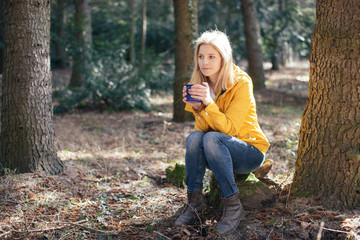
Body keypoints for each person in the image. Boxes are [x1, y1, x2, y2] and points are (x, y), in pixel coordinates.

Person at [174, 30, 270, 235]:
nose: (204, 62)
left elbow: (230, 129)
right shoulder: (201, 83)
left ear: (223, 57)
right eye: (201, 56)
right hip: (216, 150)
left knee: (211, 138)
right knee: (194, 138)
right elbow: (201, 134)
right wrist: (198, 109)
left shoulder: (241, 82)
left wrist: (208, 103)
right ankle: (195, 202)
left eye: (211, 57)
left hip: (249, 151)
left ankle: (234, 208)